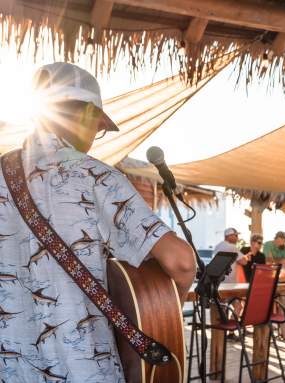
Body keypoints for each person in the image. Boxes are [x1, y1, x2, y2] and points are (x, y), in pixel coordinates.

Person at [0, 63, 196, 382]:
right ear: (89, 114)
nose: (96, 137)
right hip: (85, 370)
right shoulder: (95, 176)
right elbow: (182, 262)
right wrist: (167, 309)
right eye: (99, 127)